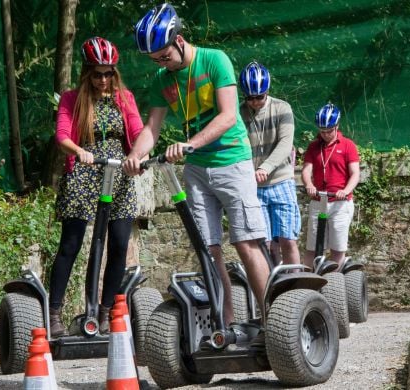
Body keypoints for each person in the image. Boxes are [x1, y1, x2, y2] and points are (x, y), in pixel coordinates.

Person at [123, 3, 269, 328]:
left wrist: (191, 144)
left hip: (232, 161)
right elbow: (151, 129)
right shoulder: (162, 80)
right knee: (208, 249)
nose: (162, 63)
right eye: (155, 59)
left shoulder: (214, 60)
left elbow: (229, 115)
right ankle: (226, 321)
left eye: (164, 55)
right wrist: (136, 154)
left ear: (179, 40)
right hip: (196, 171)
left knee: (246, 243)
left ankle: (273, 319)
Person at [49, 37, 144, 337]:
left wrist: (137, 155)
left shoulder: (125, 98)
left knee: (118, 243)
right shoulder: (72, 98)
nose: (103, 80)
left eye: (108, 74)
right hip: (85, 171)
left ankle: (105, 312)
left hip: (119, 175)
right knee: (71, 245)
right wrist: (79, 151)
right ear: (86, 73)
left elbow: (138, 130)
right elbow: (62, 135)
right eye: (97, 74)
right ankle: (54, 313)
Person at [238, 61, 301, 266]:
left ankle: (295, 281)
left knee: (288, 240)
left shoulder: (282, 108)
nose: (255, 102)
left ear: (267, 92)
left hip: (281, 181)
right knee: (263, 242)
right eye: (250, 98)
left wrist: (266, 167)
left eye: (259, 97)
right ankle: (271, 282)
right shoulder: (239, 113)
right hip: (254, 186)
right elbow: (238, 145)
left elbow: (286, 143)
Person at [301, 103, 360, 270]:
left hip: (340, 202)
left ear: (337, 126)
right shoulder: (314, 146)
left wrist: (346, 191)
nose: (325, 134)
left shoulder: (348, 145)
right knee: (312, 247)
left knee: (337, 248)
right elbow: (306, 170)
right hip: (319, 201)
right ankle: (308, 279)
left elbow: (355, 173)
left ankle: (335, 282)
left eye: (329, 130)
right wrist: (309, 184)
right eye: (322, 131)